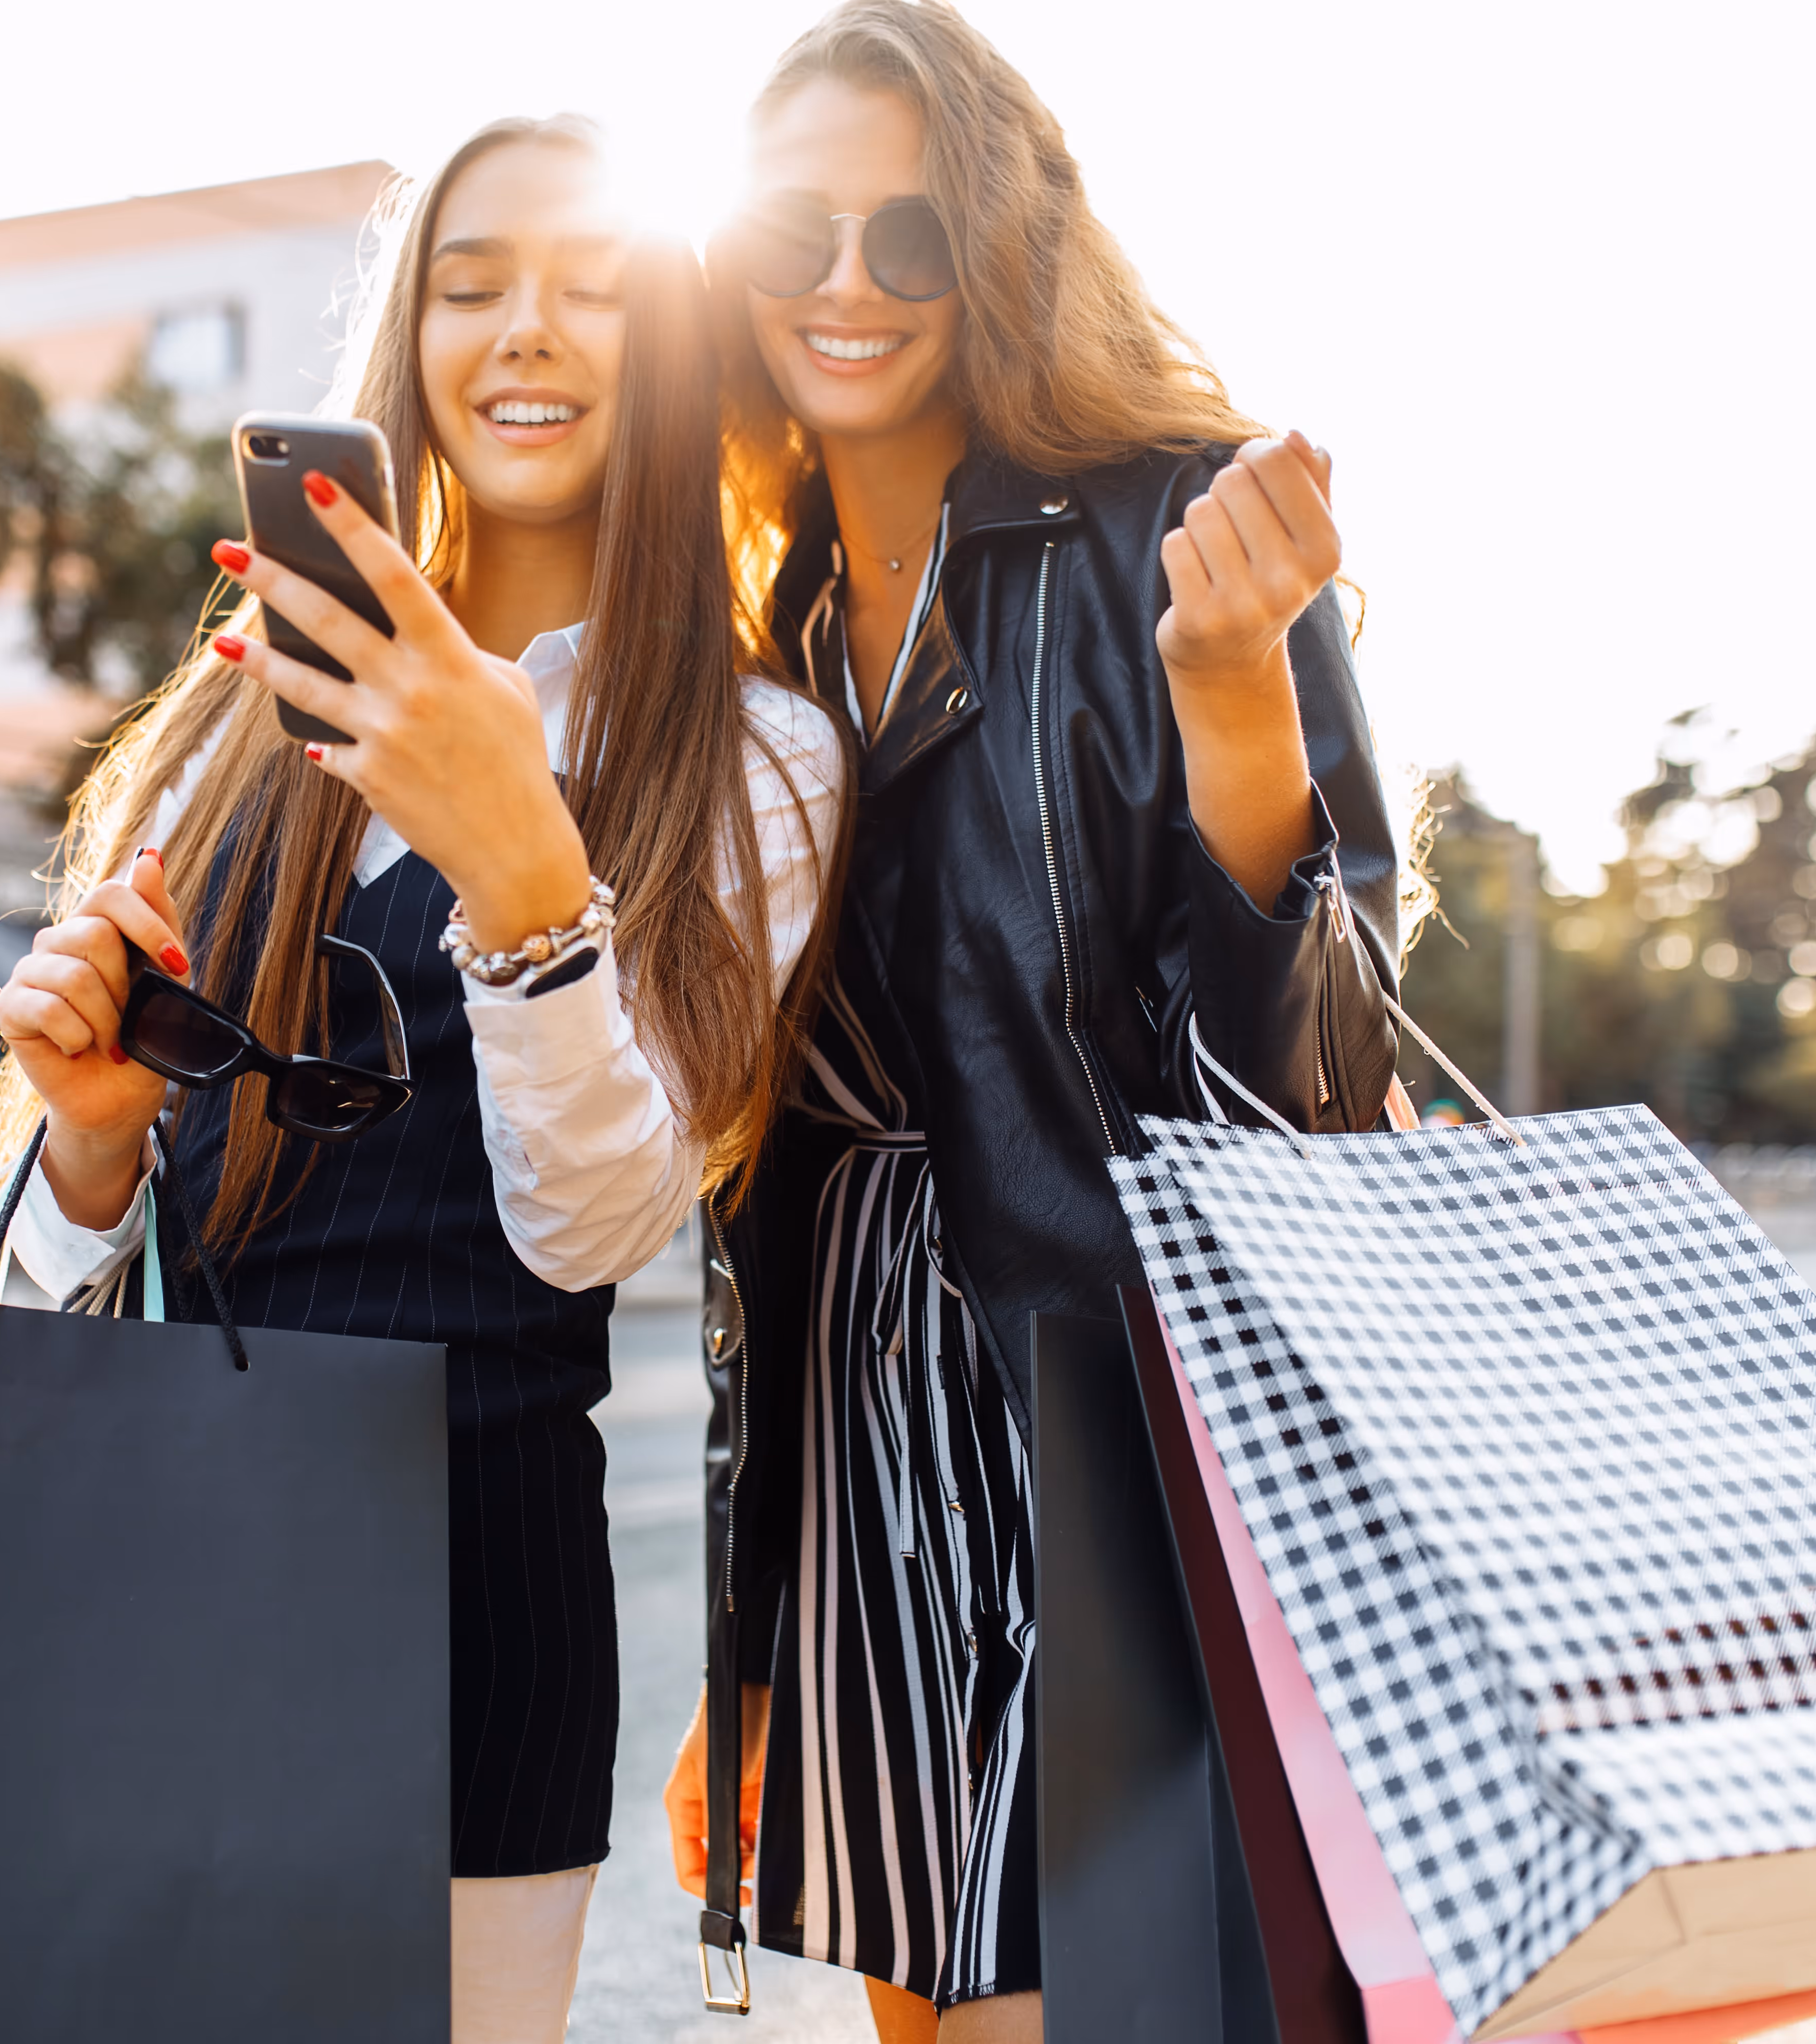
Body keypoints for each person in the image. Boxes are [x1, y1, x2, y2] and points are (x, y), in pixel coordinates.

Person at [0, 117, 844, 2042]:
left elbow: (607, 1224)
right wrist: (95, 1137)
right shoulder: (231, 715)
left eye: (597, 290)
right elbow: (58, 1274)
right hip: (162, 1547)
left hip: (474, 1586)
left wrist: (526, 871)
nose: (528, 332)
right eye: (472, 287)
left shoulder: (756, 755)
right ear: (409, 341)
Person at [660, 6, 1408, 2039]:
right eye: (796, 230)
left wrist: (1237, 699)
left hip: (1115, 1422)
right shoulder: (767, 630)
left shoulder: (1181, 522)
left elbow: (1316, 1090)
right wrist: (746, 1652)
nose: (844, 282)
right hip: (863, 1460)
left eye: (909, 237)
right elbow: (766, 1175)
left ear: (994, 249)